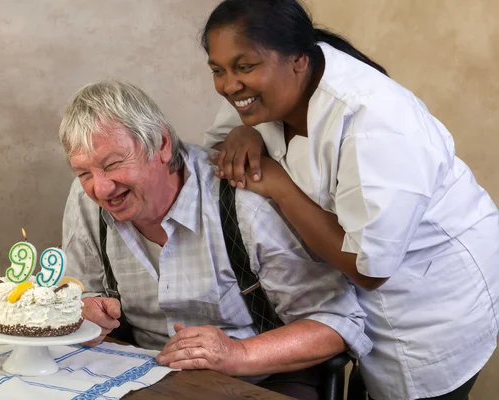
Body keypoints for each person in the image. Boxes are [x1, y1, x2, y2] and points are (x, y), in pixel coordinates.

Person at [201, 1, 499, 399]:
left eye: (244, 66)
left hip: (430, 303)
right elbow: (220, 148)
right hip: (352, 302)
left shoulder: (375, 122)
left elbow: (369, 268)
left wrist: (279, 186)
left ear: (297, 60)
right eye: (217, 70)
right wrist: (243, 136)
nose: (228, 85)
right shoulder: (267, 95)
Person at [58, 80, 372, 399]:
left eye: (112, 165)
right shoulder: (86, 203)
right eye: (83, 173)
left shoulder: (243, 202)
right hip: (139, 375)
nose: (101, 189)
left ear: (162, 144)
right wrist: (84, 310)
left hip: (257, 381)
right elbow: (80, 291)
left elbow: (337, 320)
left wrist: (238, 354)